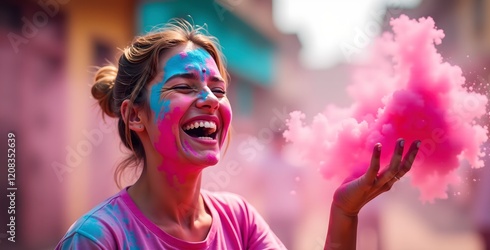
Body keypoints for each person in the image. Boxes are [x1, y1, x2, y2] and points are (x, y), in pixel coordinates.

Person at [56, 19, 420, 250]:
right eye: (184, 86)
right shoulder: (98, 239)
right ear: (135, 116)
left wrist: (344, 211)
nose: (210, 101)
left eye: (218, 89)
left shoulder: (239, 220)